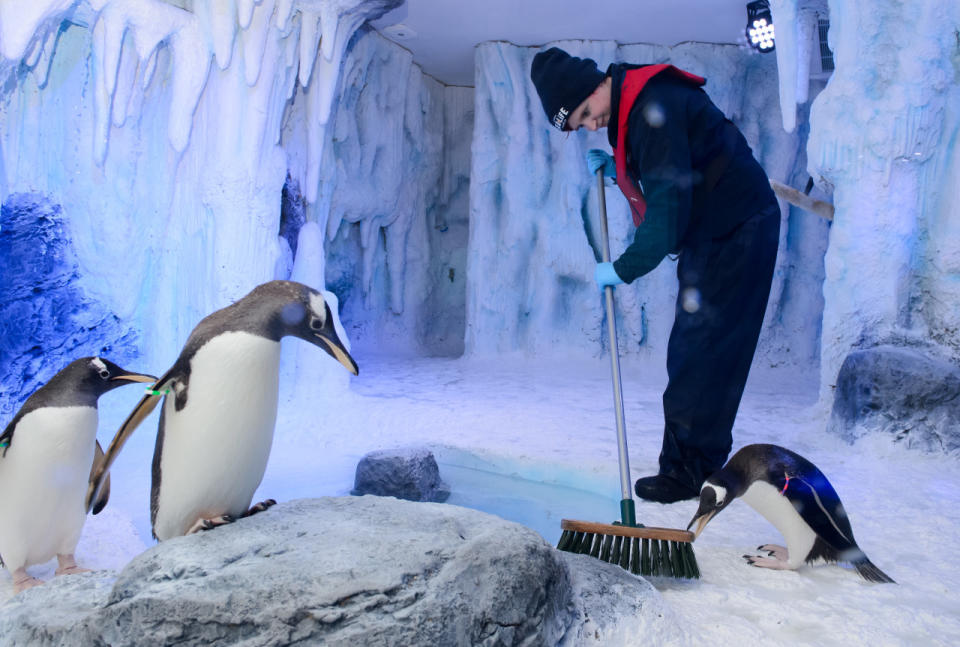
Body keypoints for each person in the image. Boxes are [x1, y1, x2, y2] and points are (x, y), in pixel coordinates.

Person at [530, 47, 780, 504]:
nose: (589, 127)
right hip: (720, 228)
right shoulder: (638, 103)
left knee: (703, 348)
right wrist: (620, 168)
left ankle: (688, 474)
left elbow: (667, 211)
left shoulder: (649, 107)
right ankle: (695, 465)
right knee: (697, 348)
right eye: (578, 127)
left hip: (736, 228)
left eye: (585, 114)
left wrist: (622, 269)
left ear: (596, 84)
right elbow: (669, 165)